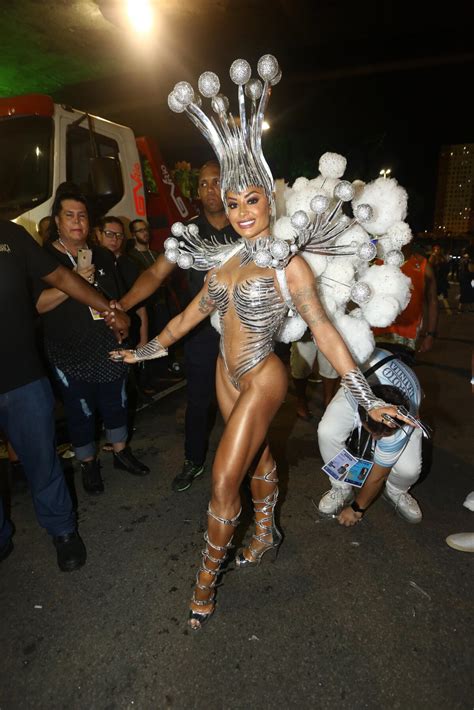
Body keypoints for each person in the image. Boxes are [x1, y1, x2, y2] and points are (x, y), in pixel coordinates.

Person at [112, 55, 414, 630]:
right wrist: (143, 352)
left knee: (225, 478)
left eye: (253, 200)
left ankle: (204, 581)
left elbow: (322, 327)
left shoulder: (287, 262)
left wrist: (365, 393)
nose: (244, 212)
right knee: (257, 461)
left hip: (262, 376)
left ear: (267, 202)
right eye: (233, 203)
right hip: (226, 375)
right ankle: (267, 523)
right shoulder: (221, 266)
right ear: (223, 206)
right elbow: (184, 322)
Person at [0, 219, 129, 570]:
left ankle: (63, 531)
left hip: (20, 376)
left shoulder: (10, 235)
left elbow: (61, 277)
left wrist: (106, 309)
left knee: (42, 459)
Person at [119, 161, 240, 492]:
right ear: (197, 192)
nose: (209, 189)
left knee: (244, 403)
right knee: (199, 401)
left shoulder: (244, 223)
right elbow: (155, 275)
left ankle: (246, 462)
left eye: (216, 182)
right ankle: (194, 460)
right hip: (199, 332)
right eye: (203, 184)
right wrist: (123, 305)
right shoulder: (188, 233)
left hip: (243, 333)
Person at [34, 191, 149, 497]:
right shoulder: (44, 258)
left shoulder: (100, 255)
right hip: (68, 351)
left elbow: (117, 297)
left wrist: (116, 309)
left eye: (82, 216)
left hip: (106, 343)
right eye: (69, 215)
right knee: (80, 410)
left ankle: (121, 451)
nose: (76, 221)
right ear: (57, 221)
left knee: (117, 400)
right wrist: (71, 281)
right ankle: (88, 463)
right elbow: (38, 305)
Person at [318, 348, 425, 524]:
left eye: (384, 433)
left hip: (402, 401)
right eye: (374, 432)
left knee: (409, 470)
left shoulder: (407, 414)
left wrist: (357, 509)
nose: (375, 438)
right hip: (362, 384)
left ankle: (396, 490)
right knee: (327, 432)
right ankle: (341, 485)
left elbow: (378, 475)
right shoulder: (355, 377)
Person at [374, 244, 438, 365]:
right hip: (379, 331)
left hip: (407, 335)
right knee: (379, 377)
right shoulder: (380, 262)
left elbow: (433, 301)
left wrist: (431, 334)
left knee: (400, 378)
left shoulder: (423, 266)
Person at [429, 244, 451, 315]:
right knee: (436, 295)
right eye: (436, 249)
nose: (437, 250)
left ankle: (446, 310)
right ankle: (434, 309)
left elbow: (446, 267)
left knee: (442, 294)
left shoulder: (442, 257)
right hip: (436, 279)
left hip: (442, 278)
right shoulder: (433, 257)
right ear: (433, 250)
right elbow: (430, 268)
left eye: (438, 249)